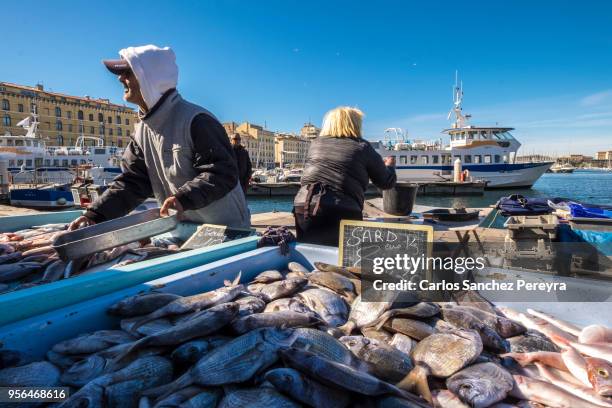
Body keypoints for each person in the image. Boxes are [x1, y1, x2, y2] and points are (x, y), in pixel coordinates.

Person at [69, 45, 250, 234]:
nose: (120, 78)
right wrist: (94, 215)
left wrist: (183, 198)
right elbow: (132, 184)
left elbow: (222, 173)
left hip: (225, 231)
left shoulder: (197, 121)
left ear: (149, 78)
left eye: (127, 72)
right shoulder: (140, 133)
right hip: (180, 231)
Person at [293, 106, 396, 246]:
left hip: (304, 206)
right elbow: (386, 182)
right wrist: (390, 166)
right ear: (355, 124)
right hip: (342, 209)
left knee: (310, 254)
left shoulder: (316, 144)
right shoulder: (362, 147)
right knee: (345, 259)